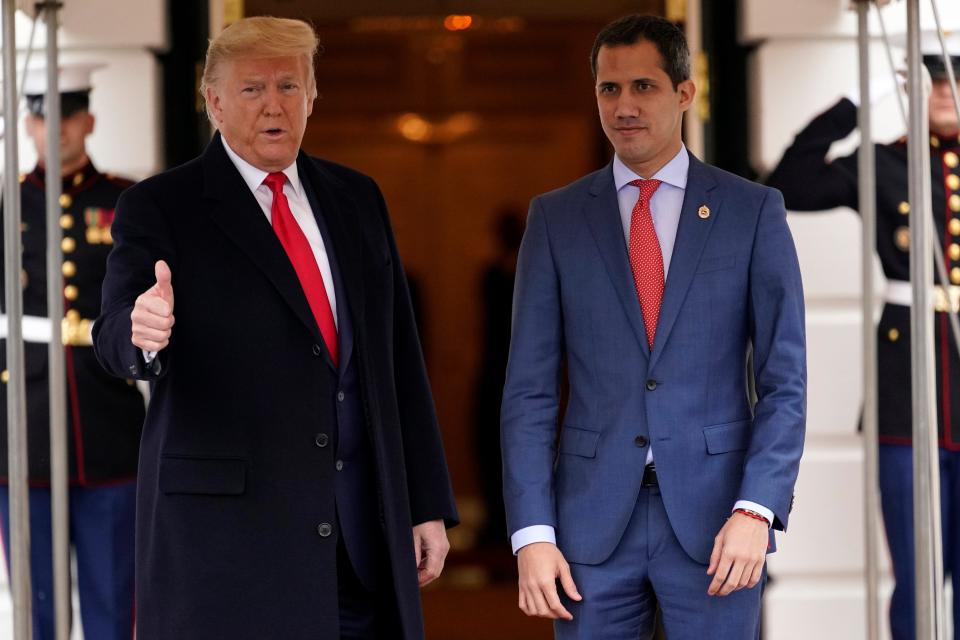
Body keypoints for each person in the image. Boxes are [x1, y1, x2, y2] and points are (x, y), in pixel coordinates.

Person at [92, 17, 457, 640]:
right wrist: (142, 331)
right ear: (214, 102)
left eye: (290, 86)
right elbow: (114, 337)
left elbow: (397, 360)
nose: (274, 105)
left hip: (354, 541)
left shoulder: (357, 198)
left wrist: (423, 504)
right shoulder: (161, 205)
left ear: (312, 97)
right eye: (253, 89)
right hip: (227, 549)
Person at [501, 14, 806, 639]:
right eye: (609, 89)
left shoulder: (752, 211)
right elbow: (528, 391)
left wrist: (758, 507)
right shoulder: (555, 220)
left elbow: (785, 381)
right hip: (589, 528)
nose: (624, 106)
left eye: (643, 86)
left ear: (685, 93)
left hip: (720, 525)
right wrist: (532, 532)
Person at [766, 30, 960, 640]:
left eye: (953, 79)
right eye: (930, 80)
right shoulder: (886, 161)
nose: (944, 92)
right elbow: (789, 182)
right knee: (915, 571)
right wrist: (857, 101)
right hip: (907, 379)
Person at [0, 62, 143, 640]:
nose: (54, 127)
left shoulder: (128, 201)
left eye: (67, 114)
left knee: (113, 602)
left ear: (89, 120)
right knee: (36, 607)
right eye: (40, 115)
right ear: (27, 126)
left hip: (107, 419)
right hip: (23, 424)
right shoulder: (7, 206)